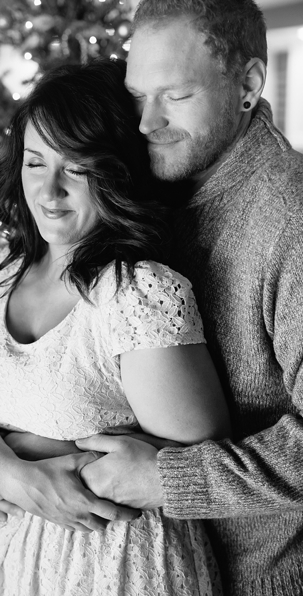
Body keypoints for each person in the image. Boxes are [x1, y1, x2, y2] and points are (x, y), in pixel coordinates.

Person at [0, 58, 230, 595]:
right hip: (2, 561)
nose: (49, 191)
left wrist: (17, 445)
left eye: (76, 167)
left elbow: (191, 469)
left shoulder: (139, 294)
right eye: (35, 163)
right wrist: (14, 476)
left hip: (114, 568)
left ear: (115, 171)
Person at [66, 2, 303, 595]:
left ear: (247, 83)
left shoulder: (291, 219)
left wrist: (169, 480)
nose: (146, 122)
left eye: (175, 95)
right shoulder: (146, 192)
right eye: (137, 94)